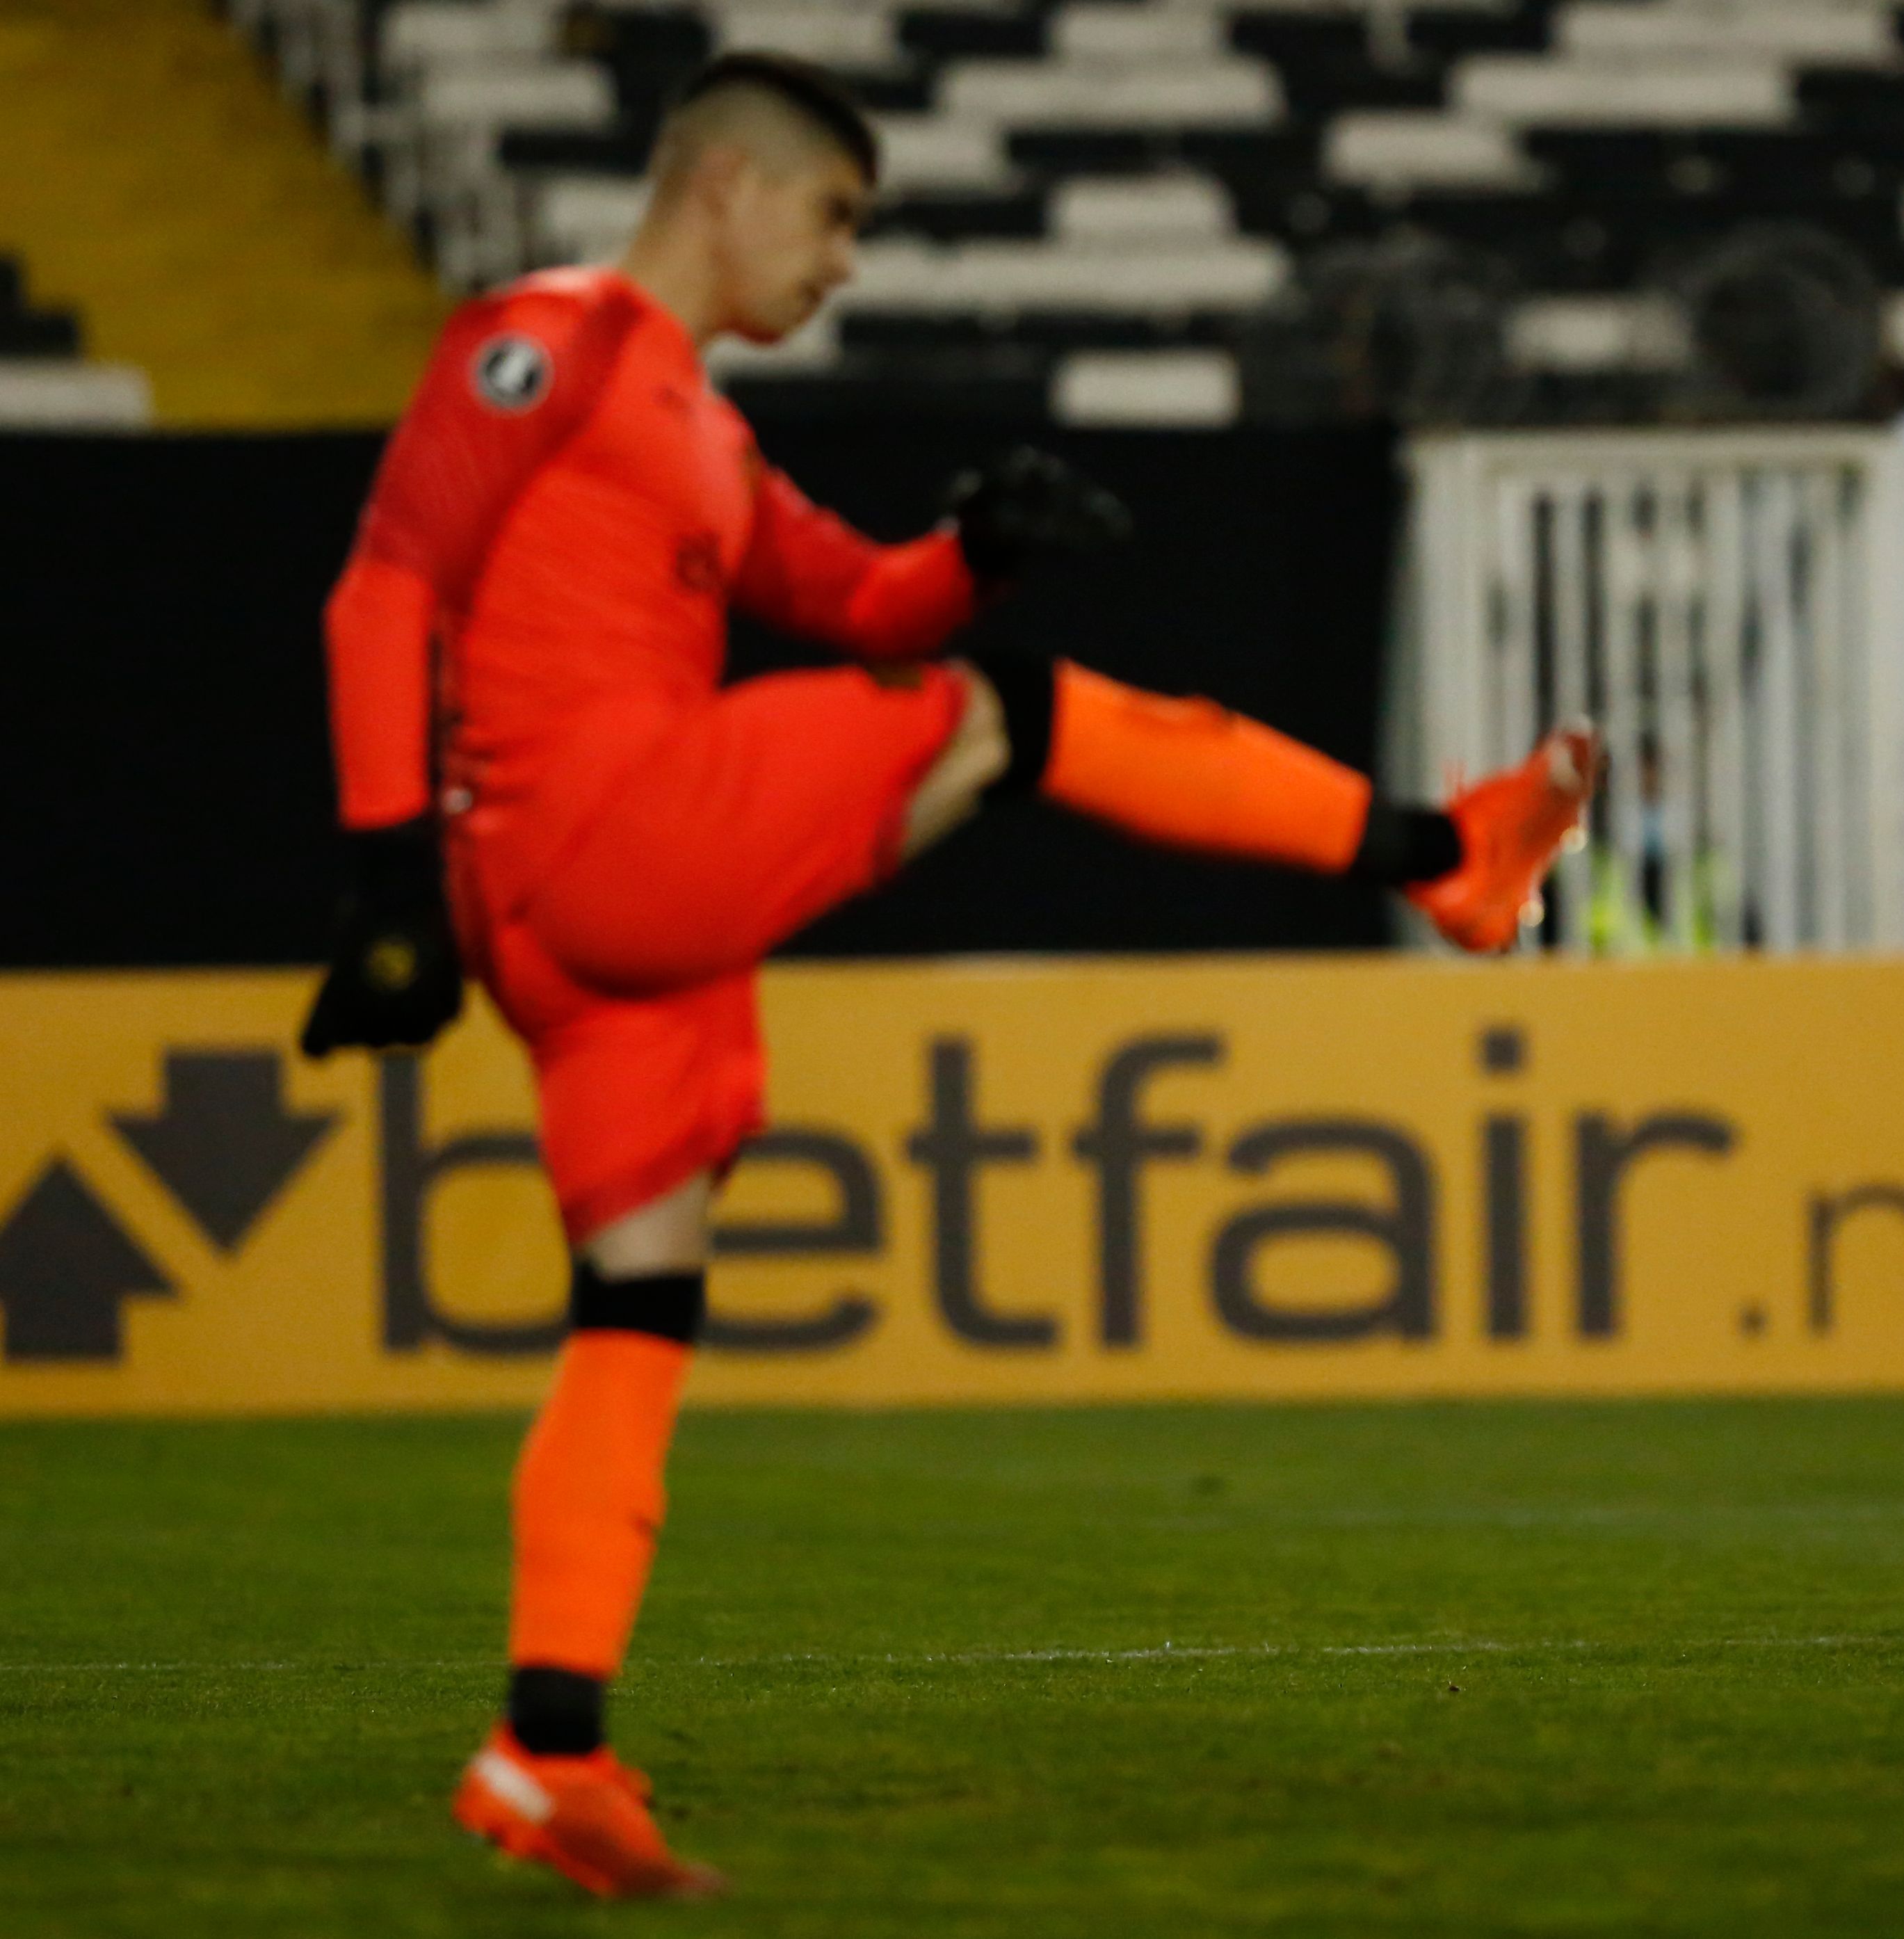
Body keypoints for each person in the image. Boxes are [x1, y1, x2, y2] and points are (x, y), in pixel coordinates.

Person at [298, 54, 1598, 1897]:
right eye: (832, 219)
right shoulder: (552, 337)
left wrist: (970, 549)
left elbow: (854, 602)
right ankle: (1438, 858)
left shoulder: (697, 428)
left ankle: (547, 1744)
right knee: (1008, 720)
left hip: (583, 925)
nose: (838, 266)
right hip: (597, 836)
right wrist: (383, 876)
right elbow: (382, 587)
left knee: (640, 1297)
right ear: (730, 189)